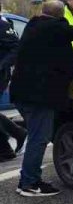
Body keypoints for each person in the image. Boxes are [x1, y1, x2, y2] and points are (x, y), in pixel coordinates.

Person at [10, 0, 73, 197]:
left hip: (23, 93)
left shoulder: (33, 25)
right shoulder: (55, 29)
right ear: (61, 15)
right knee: (39, 139)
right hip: (40, 96)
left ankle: (28, 179)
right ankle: (29, 183)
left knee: (36, 137)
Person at [0, 15, 27, 160]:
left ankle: (17, 134)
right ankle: (5, 149)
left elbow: (16, 47)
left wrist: (2, 65)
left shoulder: (2, 25)